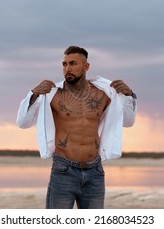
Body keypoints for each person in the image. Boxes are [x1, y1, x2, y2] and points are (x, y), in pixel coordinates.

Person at [16, 46, 137, 209]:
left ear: (86, 66)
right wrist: (33, 94)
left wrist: (129, 95)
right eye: (64, 64)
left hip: (95, 171)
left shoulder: (103, 94)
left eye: (73, 63)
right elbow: (23, 122)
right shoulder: (53, 94)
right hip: (63, 170)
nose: (67, 68)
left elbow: (128, 121)